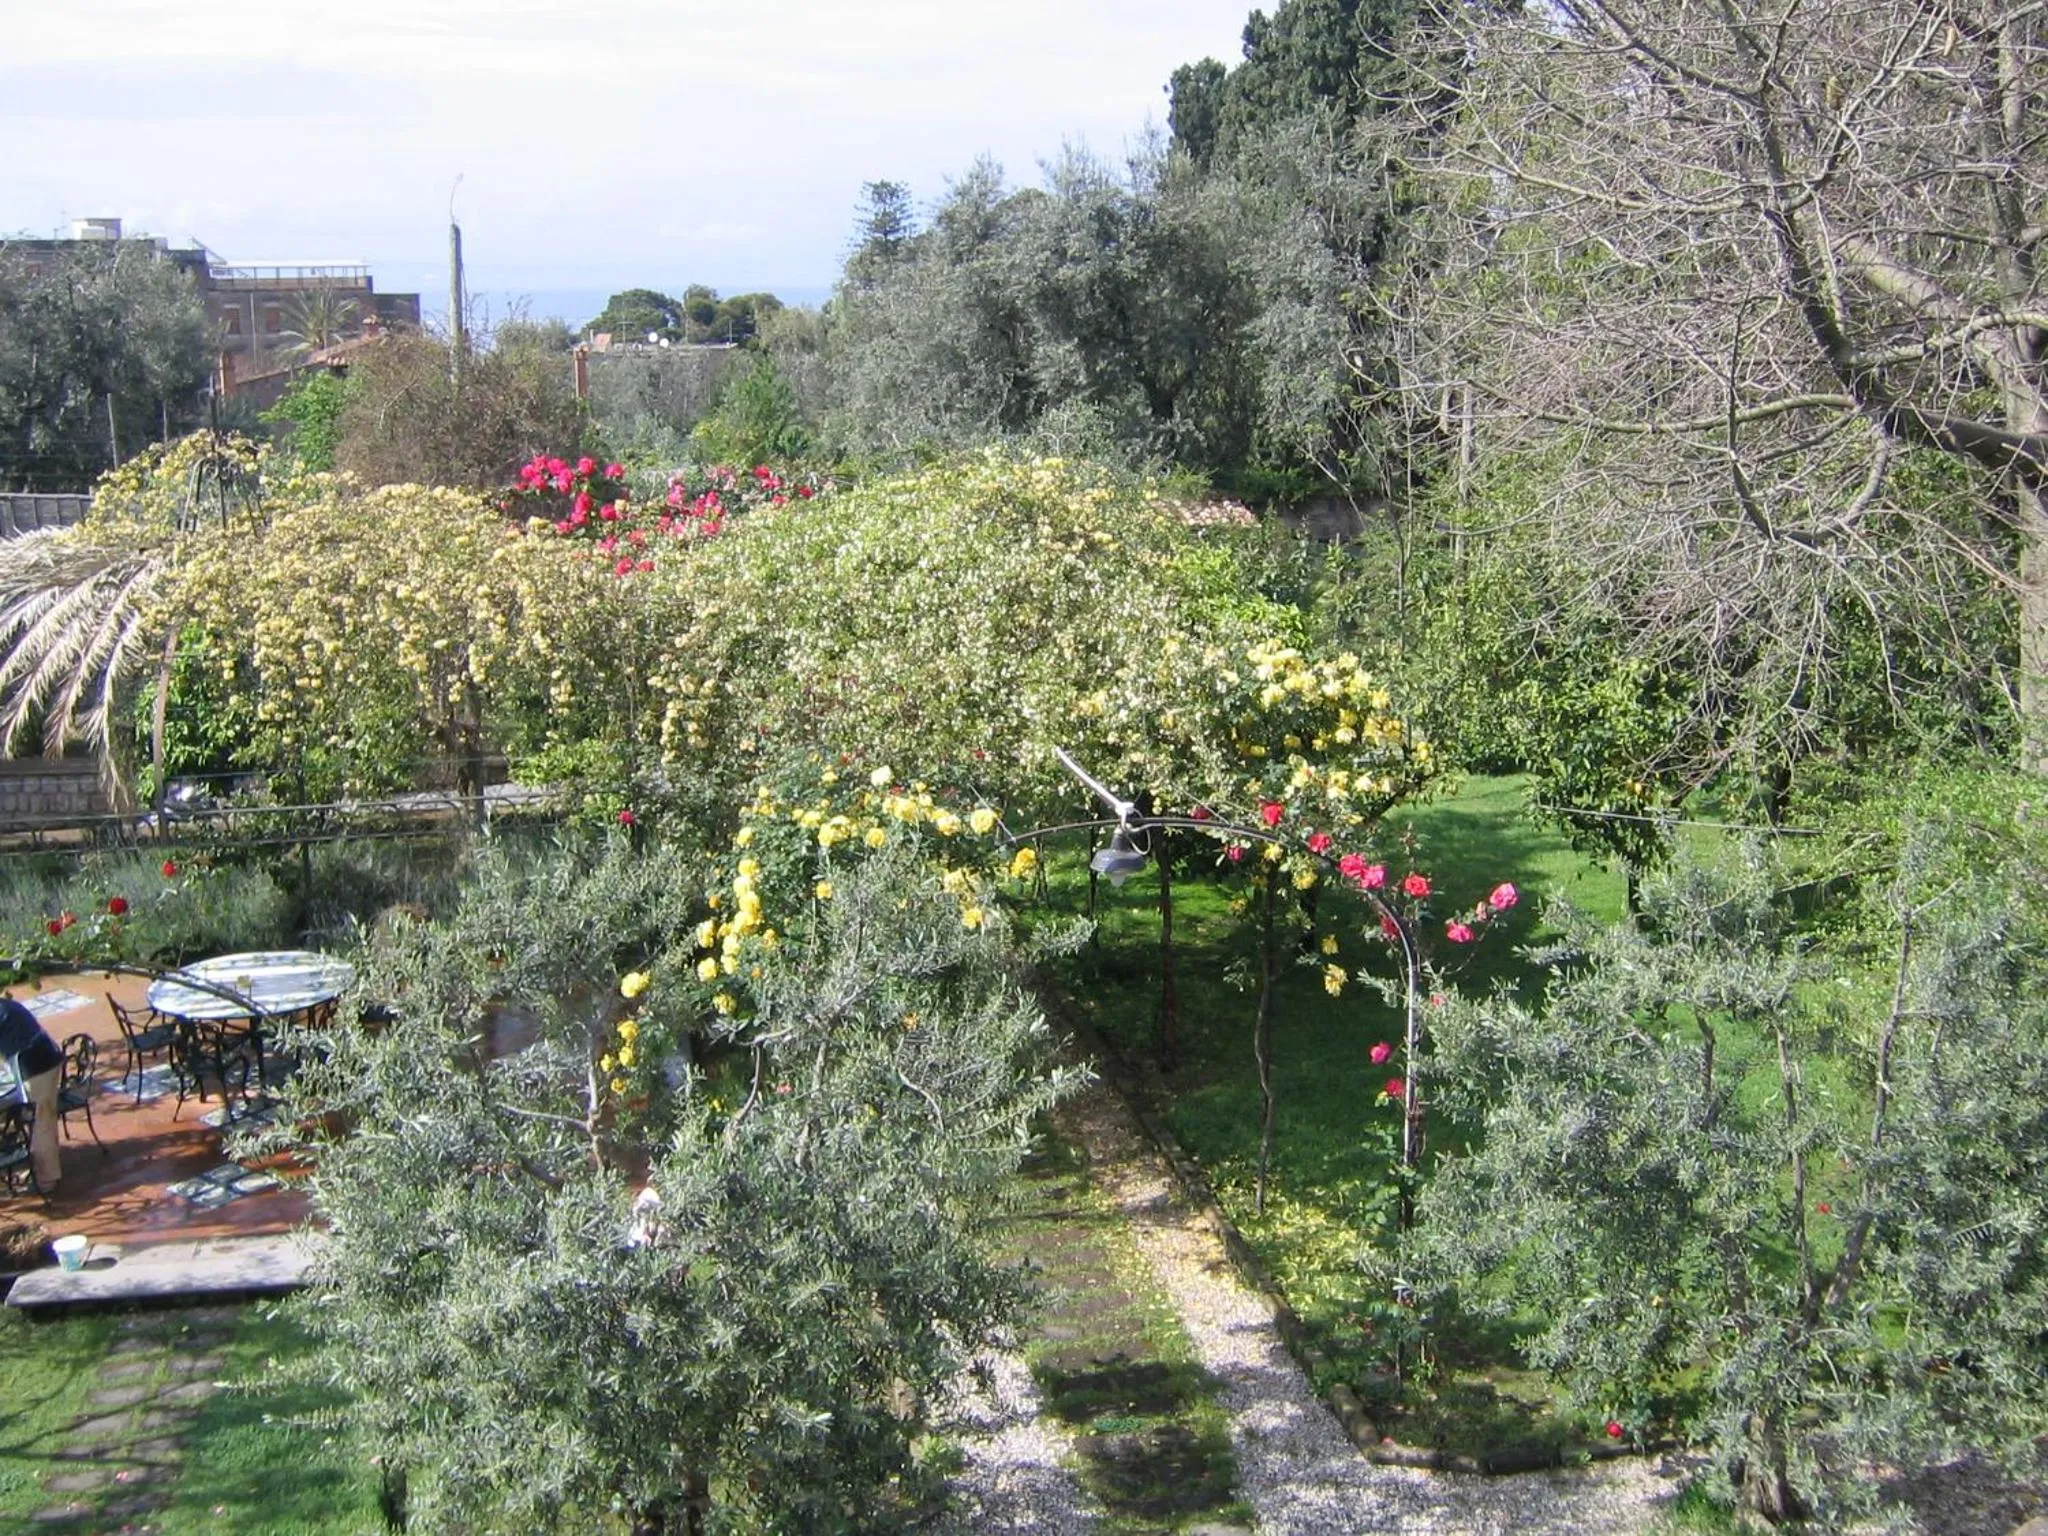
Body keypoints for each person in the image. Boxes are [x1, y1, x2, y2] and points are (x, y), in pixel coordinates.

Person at [0, 997, 63, 1192]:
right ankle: (37, 1168)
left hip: (37, 1066)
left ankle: (46, 1180)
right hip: (44, 1057)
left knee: (41, 1121)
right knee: (42, 1118)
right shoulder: (6, 1006)